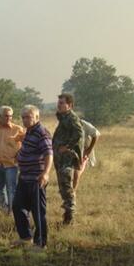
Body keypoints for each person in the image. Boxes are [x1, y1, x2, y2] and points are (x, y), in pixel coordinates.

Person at [12, 105, 53, 249]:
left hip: (36, 179)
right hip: (24, 178)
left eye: (28, 117)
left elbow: (49, 153)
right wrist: (19, 155)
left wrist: (46, 173)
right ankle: (25, 237)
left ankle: (41, 243)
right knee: (18, 206)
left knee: (38, 212)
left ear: (36, 117)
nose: (25, 120)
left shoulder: (42, 132)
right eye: (23, 117)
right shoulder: (29, 132)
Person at [52, 93, 84, 225]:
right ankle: (67, 216)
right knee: (63, 187)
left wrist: (67, 146)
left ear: (69, 105)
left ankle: (69, 218)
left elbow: (79, 133)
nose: (59, 105)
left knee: (66, 187)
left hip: (67, 159)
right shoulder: (63, 117)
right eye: (58, 103)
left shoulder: (71, 117)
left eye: (61, 103)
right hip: (60, 158)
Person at [72, 119, 101, 190]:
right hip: (70, 151)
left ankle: (72, 192)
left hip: (83, 151)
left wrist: (88, 151)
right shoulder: (64, 124)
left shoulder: (83, 123)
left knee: (76, 171)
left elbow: (96, 134)